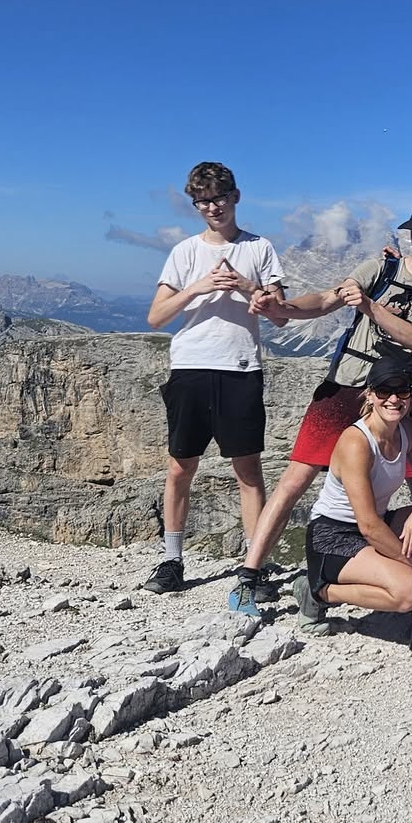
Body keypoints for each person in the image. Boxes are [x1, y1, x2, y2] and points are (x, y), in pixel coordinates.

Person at [229, 199, 412, 615]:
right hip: (343, 389)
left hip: (393, 397)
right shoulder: (379, 269)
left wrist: (370, 308)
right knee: (295, 479)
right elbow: (324, 300)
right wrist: (280, 309)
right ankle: (249, 575)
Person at [140, 162, 289, 596]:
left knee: (248, 469)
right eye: (203, 201)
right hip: (190, 365)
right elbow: (156, 317)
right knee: (180, 466)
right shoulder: (185, 252)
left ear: (236, 197)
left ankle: (253, 565)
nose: (213, 207)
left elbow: (279, 316)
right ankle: (172, 561)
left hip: (241, 367)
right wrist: (198, 288)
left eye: (219, 197)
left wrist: (244, 285)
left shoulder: (260, 249)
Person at [256, 361, 412, 651]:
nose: (393, 399)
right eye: (383, 391)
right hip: (333, 537)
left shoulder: (408, 432)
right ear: (369, 395)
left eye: (402, 391)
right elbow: (367, 524)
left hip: (373, 525)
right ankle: (319, 592)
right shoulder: (356, 442)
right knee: (410, 591)